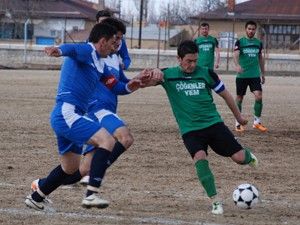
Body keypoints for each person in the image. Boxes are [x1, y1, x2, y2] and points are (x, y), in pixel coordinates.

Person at [24, 23, 147, 211]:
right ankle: (91, 195)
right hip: (67, 112)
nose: (116, 46)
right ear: (102, 41)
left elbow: (116, 87)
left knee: (70, 168)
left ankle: (36, 196)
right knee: (107, 140)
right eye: (113, 42)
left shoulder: (100, 63)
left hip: (69, 116)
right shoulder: (87, 50)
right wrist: (57, 50)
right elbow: (71, 49)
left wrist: (134, 85)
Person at [141, 40, 258, 215]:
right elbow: (141, 82)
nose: (193, 65)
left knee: (239, 158)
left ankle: (249, 156)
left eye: (195, 60)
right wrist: (153, 72)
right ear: (179, 59)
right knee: (200, 158)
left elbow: (226, 95)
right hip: (191, 130)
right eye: (189, 61)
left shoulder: (207, 73)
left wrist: (239, 117)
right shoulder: (168, 75)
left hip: (213, 124)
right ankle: (216, 201)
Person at [233, 20, 267, 132]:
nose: (251, 31)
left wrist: (263, 73)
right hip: (242, 75)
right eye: (249, 29)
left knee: (259, 96)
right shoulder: (240, 42)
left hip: (254, 75)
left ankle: (257, 122)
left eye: (253, 29)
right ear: (245, 29)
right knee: (239, 98)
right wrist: (237, 65)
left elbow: (261, 58)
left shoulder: (258, 43)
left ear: (255, 30)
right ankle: (238, 123)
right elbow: (236, 54)